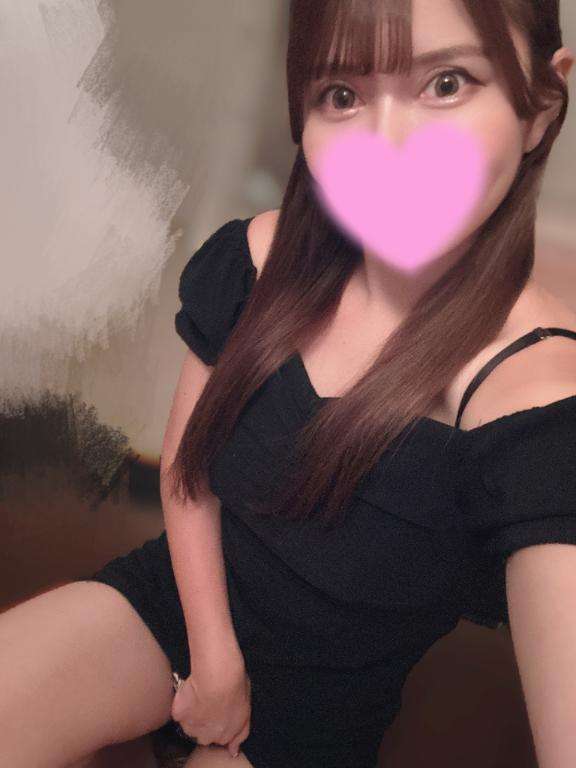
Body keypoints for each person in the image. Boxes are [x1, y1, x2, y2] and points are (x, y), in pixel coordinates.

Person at [1, 1, 575, 767]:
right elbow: (188, 471)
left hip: (311, 725)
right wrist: (215, 663)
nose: (387, 145)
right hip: (178, 607)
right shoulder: (258, 256)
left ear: (542, 103)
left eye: (446, 82)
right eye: (342, 94)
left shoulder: (535, 404)